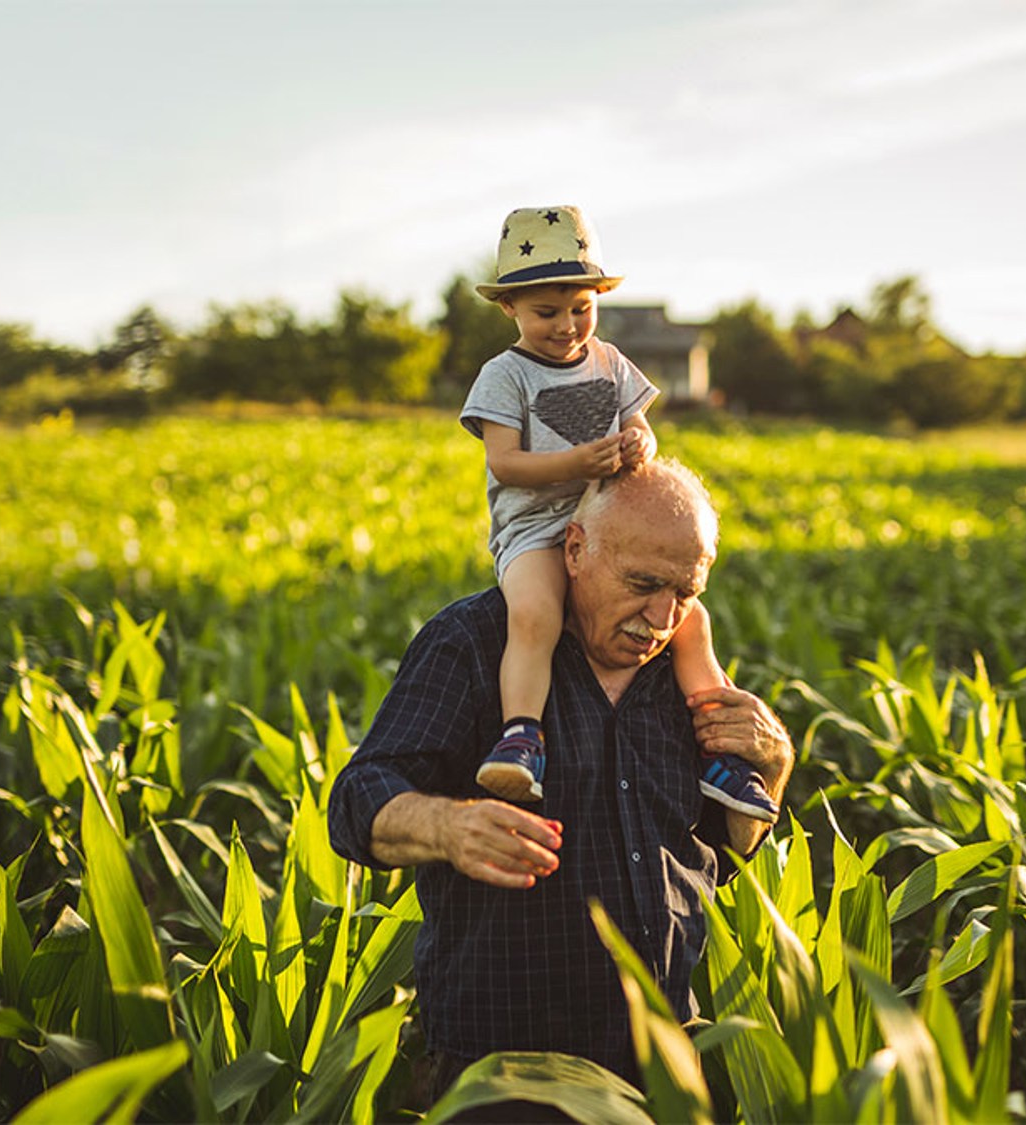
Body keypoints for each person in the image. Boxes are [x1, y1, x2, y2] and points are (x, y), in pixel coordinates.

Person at [325, 458, 795, 1109]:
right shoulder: (474, 643)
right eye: (643, 583)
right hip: (507, 1076)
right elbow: (356, 799)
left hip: (663, 1066)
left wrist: (771, 768)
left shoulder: (683, 680)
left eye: (686, 592)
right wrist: (450, 826)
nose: (662, 616)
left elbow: (714, 855)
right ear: (575, 548)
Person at [461, 205, 777, 823]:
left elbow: (643, 431)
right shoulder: (505, 376)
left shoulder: (609, 362)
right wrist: (580, 460)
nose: (567, 325)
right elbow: (505, 466)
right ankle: (522, 737)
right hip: (535, 529)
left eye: (581, 308)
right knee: (534, 614)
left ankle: (724, 759)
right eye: (547, 313)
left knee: (691, 622)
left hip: (607, 520)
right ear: (510, 309)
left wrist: (638, 446)